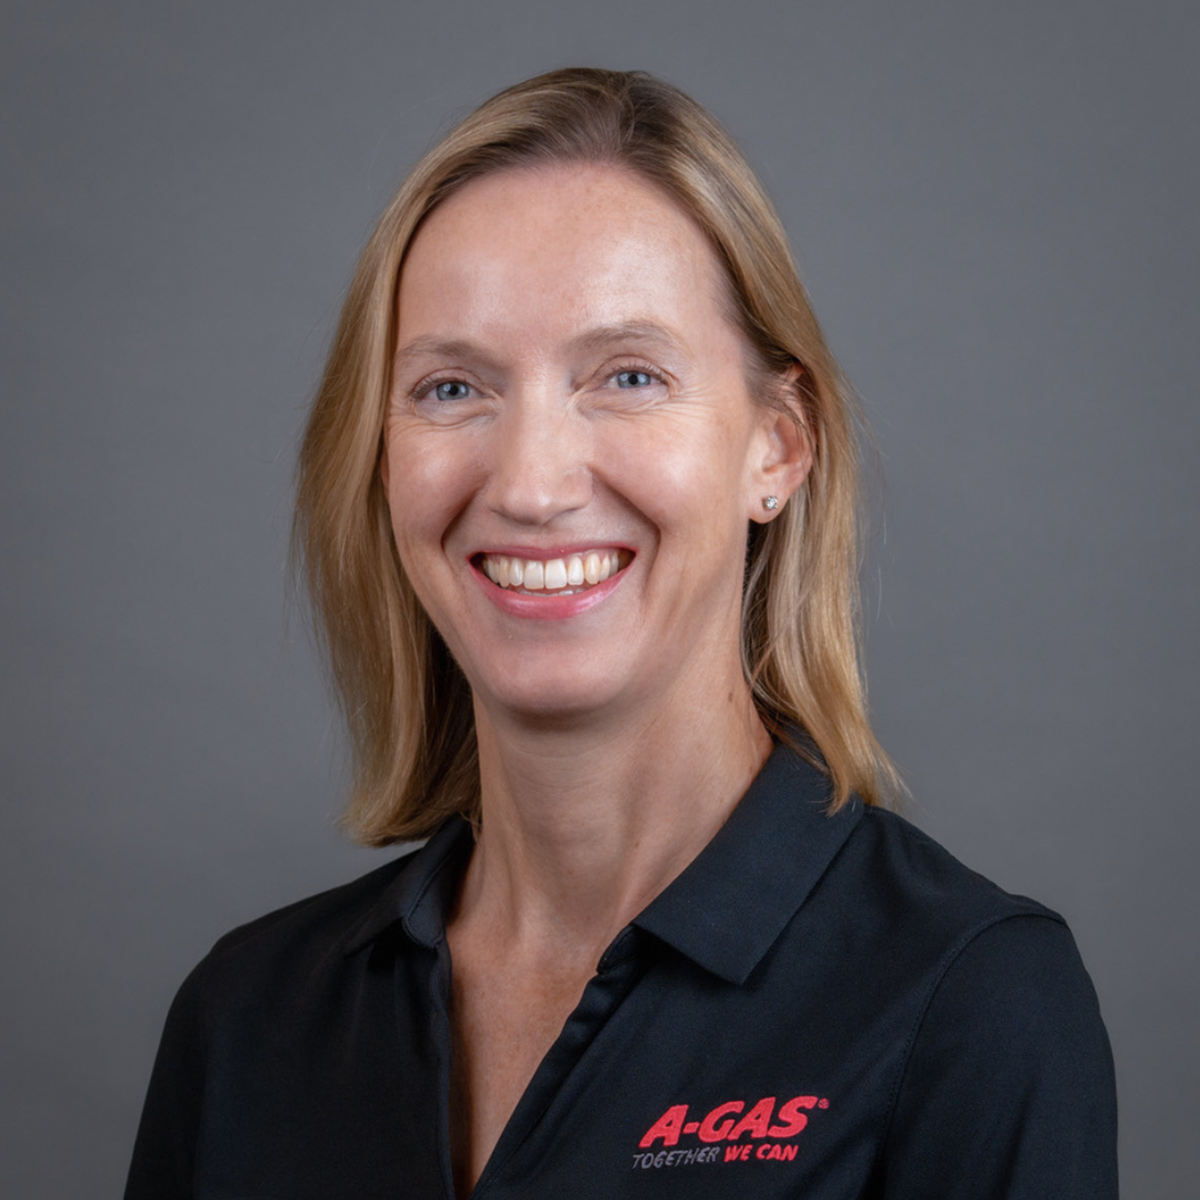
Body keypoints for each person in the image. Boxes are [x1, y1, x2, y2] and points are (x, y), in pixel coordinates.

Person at [125, 69, 1118, 1199]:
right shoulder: (246, 1020)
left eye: (628, 375)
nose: (534, 484)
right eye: (452, 389)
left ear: (777, 450)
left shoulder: (969, 1001)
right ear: (380, 456)